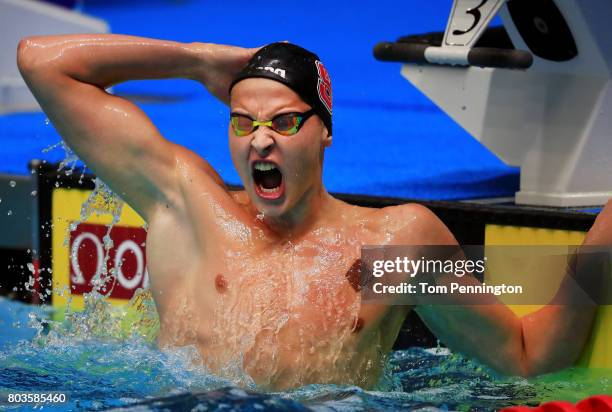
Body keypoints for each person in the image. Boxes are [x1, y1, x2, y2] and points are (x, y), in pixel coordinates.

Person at [16, 35, 610, 390]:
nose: (260, 141)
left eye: (284, 121)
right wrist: (197, 60)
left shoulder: (390, 248)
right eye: (243, 123)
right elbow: (42, 61)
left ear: (324, 132)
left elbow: (527, 355)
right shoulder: (190, 208)